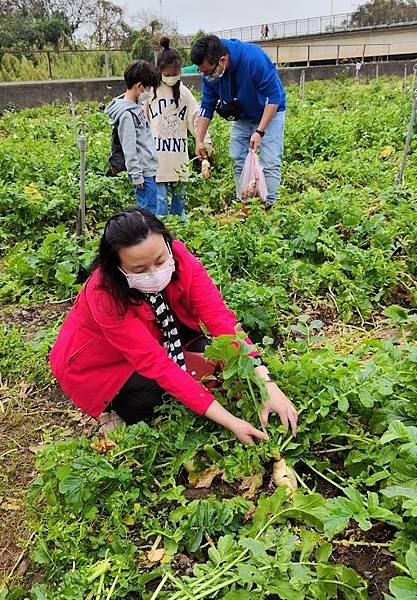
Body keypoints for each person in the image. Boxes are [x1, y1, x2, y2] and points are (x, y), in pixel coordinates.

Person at [49, 207, 298, 444]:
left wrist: (267, 383)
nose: (154, 273)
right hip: (98, 364)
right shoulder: (105, 296)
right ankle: (114, 410)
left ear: (167, 243)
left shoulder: (178, 256)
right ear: (117, 268)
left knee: (214, 352)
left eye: (159, 261)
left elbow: (220, 319)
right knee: (158, 397)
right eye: (139, 269)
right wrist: (231, 422)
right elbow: (157, 365)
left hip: (156, 331)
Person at [191, 35, 286, 207]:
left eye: (207, 71)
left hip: (269, 112)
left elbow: (273, 97)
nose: (205, 76)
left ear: (222, 60)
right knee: (238, 160)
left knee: (270, 162)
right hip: (242, 115)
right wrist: (199, 140)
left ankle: (270, 207)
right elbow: (207, 106)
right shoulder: (210, 74)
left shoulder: (253, 59)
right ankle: (244, 204)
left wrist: (260, 131)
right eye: (202, 72)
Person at [144, 37, 212, 219]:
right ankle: (162, 242)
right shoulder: (151, 92)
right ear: (159, 70)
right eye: (168, 74)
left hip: (179, 158)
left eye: (175, 73)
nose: (172, 77)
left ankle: (178, 240)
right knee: (160, 207)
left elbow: (196, 118)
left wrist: (205, 141)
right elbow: (142, 122)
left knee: (179, 203)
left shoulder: (184, 93)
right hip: (157, 160)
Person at [106, 60, 160, 214]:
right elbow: (129, 148)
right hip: (142, 172)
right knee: (148, 213)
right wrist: (136, 174)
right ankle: (145, 238)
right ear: (139, 86)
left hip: (148, 168)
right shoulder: (126, 115)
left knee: (150, 210)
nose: (149, 92)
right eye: (148, 88)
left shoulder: (135, 107)